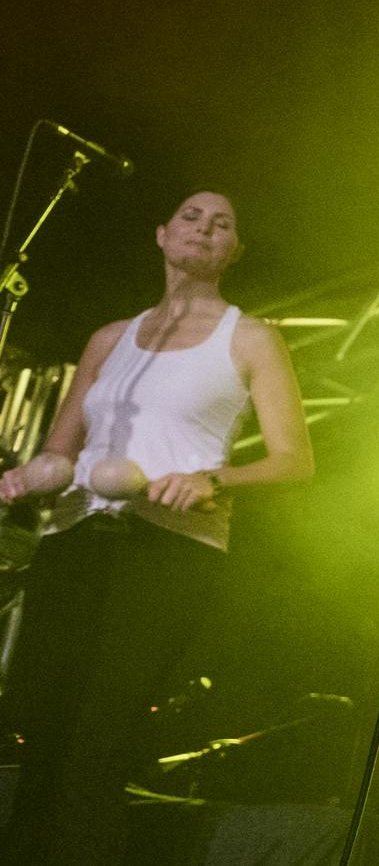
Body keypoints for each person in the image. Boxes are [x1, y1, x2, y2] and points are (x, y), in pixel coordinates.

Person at [0, 189, 314, 865]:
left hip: (167, 549)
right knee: (42, 720)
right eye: (191, 217)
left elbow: (295, 460)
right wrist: (34, 474)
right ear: (162, 234)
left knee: (100, 733)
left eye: (222, 223)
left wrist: (213, 479)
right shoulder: (109, 338)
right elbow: (61, 450)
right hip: (73, 538)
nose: (204, 228)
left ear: (233, 251)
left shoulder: (251, 338)